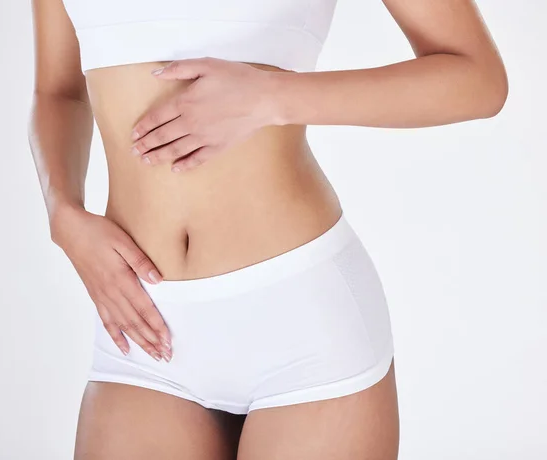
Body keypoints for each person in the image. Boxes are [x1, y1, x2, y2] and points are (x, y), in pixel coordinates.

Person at [28, 0, 508, 459]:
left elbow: (478, 77)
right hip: (139, 326)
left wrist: (272, 97)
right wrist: (62, 212)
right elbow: (58, 91)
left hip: (298, 320)